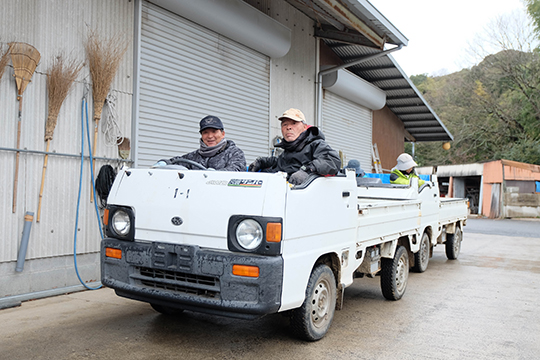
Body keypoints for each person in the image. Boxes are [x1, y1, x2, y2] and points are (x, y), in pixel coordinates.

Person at [248, 108, 341, 185]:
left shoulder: (316, 144)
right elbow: (280, 163)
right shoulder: (288, 149)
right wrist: (261, 162)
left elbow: (332, 161)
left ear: (305, 127)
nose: (288, 127)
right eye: (285, 124)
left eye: (294, 123)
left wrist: (307, 171)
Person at [159, 115, 246, 171]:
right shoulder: (194, 156)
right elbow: (176, 161)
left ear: (222, 134)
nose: (210, 136)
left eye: (214, 131)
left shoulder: (235, 153)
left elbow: (236, 170)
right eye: (205, 132)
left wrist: (215, 175)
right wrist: (164, 162)